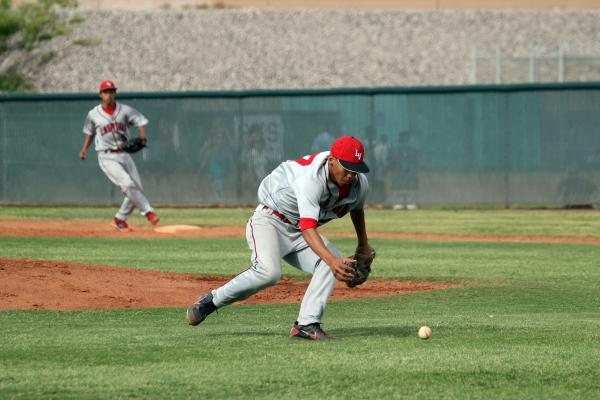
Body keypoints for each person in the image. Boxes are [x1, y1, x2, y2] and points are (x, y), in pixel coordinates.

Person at [187, 136, 375, 340]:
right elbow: (308, 229)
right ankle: (211, 301)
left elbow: (357, 208)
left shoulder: (358, 183)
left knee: (332, 261)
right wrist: (331, 261)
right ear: (331, 160)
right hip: (270, 219)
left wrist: (362, 244)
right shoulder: (311, 179)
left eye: (355, 169)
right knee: (269, 272)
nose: (350, 175)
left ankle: (307, 325)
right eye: (346, 168)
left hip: (298, 228)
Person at [79, 80, 160, 231]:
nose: (109, 94)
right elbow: (89, 133)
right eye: (106, 92)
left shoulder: (125, 110)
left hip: (124, 154)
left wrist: (143, 138)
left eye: (112, 91)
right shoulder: (93, 114)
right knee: (128, 185)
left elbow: (141, 121)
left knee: (135, 188)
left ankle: (119, 219)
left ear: (115, 93)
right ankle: (149, 212)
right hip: (106, 155)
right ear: (101, 95)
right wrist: (84, 149)